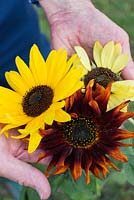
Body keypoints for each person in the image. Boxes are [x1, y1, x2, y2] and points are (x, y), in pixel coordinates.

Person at [0, 0, 133, 199]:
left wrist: (67, 7)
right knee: (16, 146)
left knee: (48, 68)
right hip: (28, 98)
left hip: (20, 44)